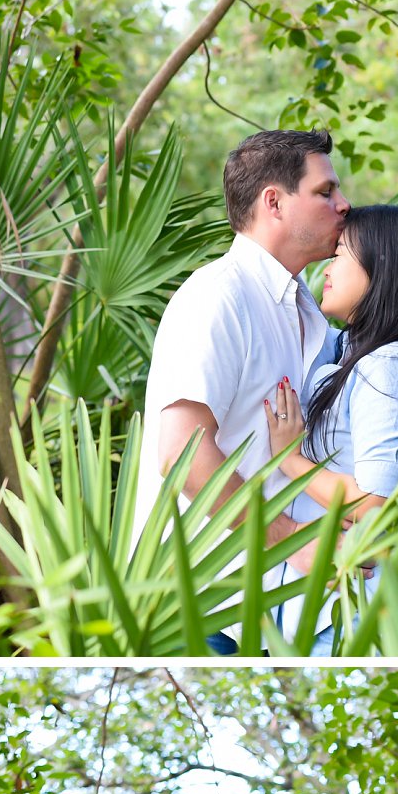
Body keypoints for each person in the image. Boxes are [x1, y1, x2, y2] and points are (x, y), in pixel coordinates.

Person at [130, 130, 347, 593]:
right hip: (199, 603)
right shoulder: (218, 297)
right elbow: (180, 454)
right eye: (325, 192)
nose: (344, 204)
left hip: (270, 602)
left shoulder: (308, 308)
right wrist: (290, 539)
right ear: (274, 202)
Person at [264, 202, 398, 636]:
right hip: (330, 611)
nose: (327, 268)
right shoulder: (359, 354)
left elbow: (378, 506)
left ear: (383, 268)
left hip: (356, 618)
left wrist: (290, 459)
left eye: (340, 255)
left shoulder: (393, 366)